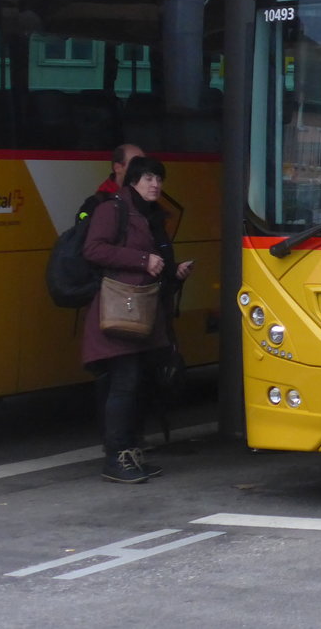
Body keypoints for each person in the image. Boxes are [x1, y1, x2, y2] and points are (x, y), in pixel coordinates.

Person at [81, 156, 194, 483]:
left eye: (158, 178)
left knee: (139, 384)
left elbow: (158, 264)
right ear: (131, 181)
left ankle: (129, 453)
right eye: (147, 178)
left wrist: (174, 271)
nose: (154, 184)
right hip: (119, 311)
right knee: (124, 383)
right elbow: (94, 249)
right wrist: (143, 259)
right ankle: (116, 457)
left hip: (144, 313)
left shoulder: (153, 217)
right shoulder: (112, 210)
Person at [77, 142, 144, 221]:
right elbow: (82, 219)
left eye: (144, 163)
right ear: (117, 168)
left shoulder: (151, 200)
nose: (143, 169)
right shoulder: (98, 202)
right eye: (136, 164)